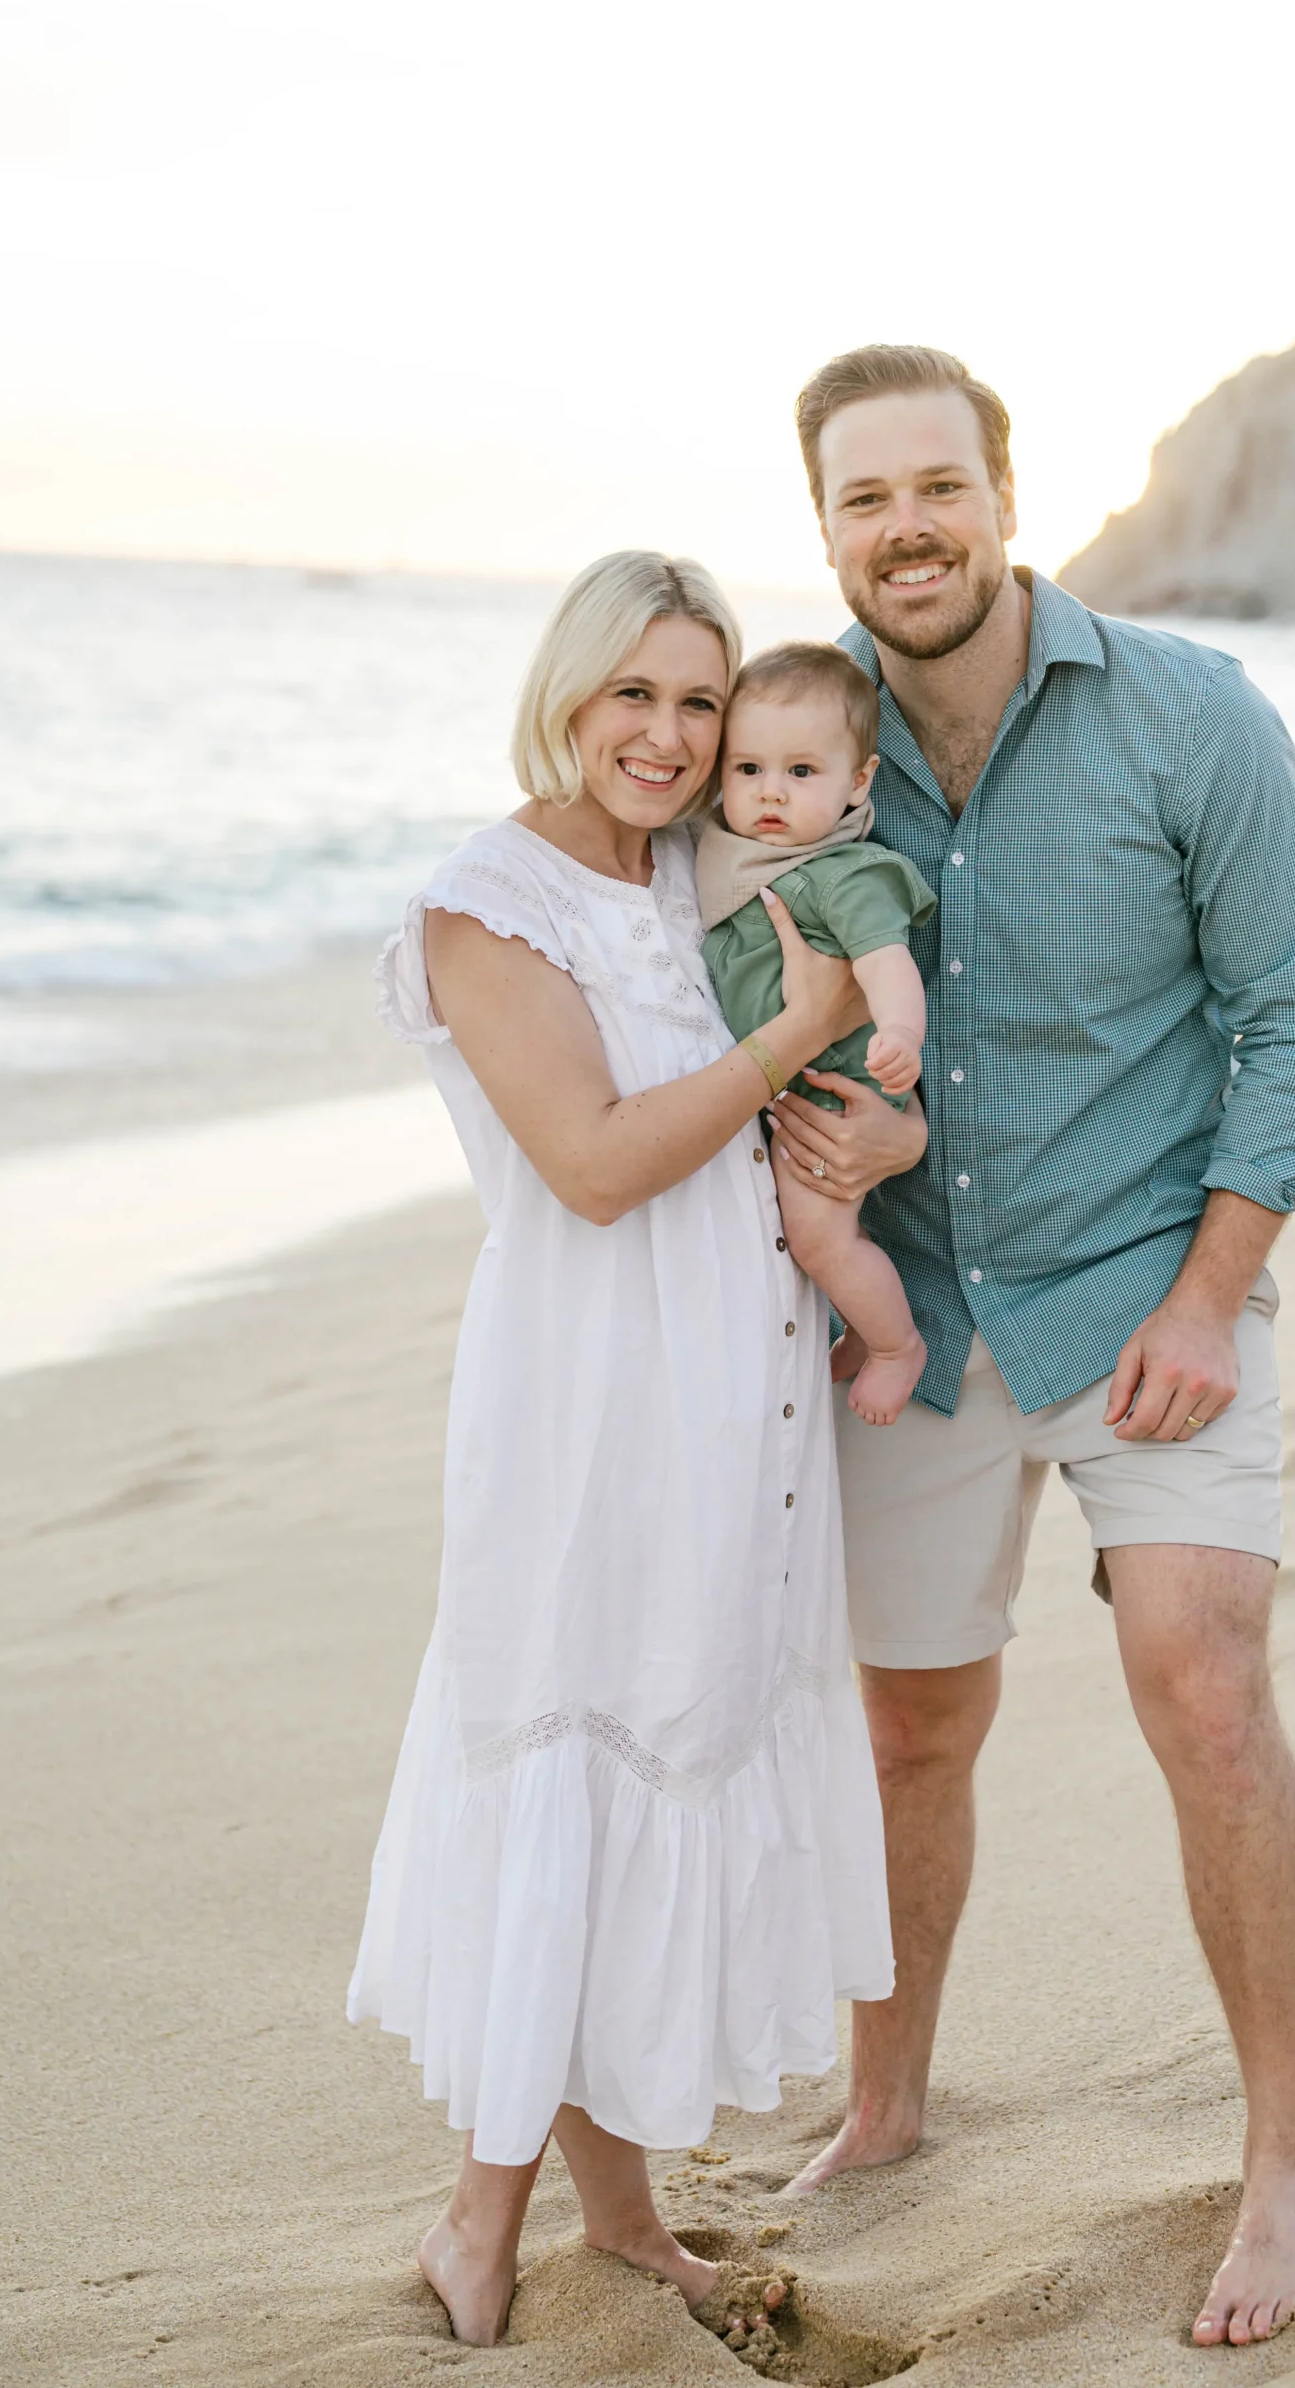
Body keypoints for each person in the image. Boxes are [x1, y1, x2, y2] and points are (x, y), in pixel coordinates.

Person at [761, 348, 1295, 2352]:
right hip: (908, 1319)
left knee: (1199, 1680)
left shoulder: (1186, 712)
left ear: (1008, 494)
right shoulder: (803, 747)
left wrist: (1207, 1293)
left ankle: (1285, 2148)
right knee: (910, 1728)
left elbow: (1290, 1017)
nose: (905, 525)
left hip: (1143, 1285)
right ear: (825, 524)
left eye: (939, 483)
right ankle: (888, 2097)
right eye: (864, 498)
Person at [346, 551, 914, 2353]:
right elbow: (593, 1163)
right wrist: (806, 1029)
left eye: (699, 701)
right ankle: (473, 2217)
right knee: (571, 1769)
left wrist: (873, 1134)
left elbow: (824, 1100)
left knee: (667, 1749)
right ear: (568, 693)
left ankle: (624, 2213)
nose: (670, 740)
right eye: (635, 697)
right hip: (585, 1409)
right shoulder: (485, 905)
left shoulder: (698, 876)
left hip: (734, 1402)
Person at [697, 641, 937, 1425]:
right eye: (748, 770)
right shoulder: (730, 856)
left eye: (802, 773)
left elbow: (886, 962)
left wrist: (900, 1032)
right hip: (783, 1082)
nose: (771, 794)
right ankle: (864, 1336)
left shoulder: (845, 873)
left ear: (857, 781)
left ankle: (898, 1345)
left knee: (818, 1239)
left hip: (835, 1090)